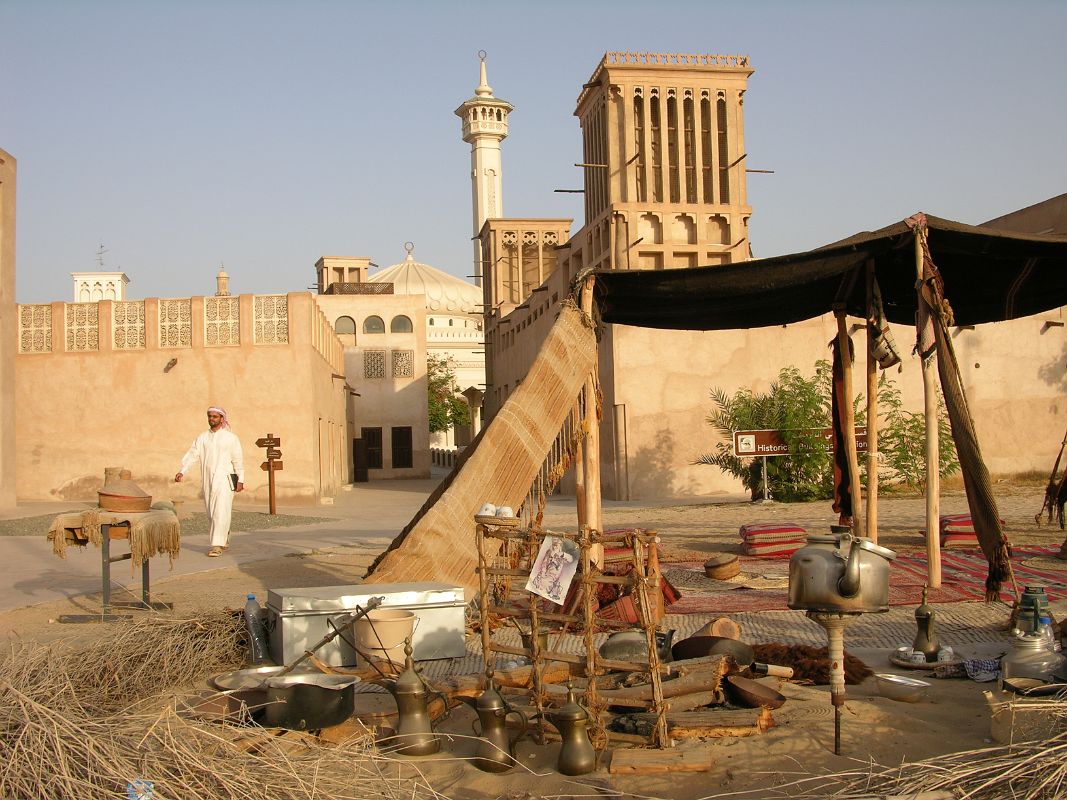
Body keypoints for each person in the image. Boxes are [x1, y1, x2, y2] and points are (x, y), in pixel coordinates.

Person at [175, 406, 245, 557]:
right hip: (208, 479)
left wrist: (241, 479)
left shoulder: (230, 438)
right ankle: (224, 535)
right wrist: (182, 470)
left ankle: (216, 545)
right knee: (211, 512)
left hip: (225, 479)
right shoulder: (202, 438)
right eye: (210, 416)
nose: (212, 419)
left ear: (222, 419)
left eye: (215, 416)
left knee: (220, 510)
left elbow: (238, 459)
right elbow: (193, 454)